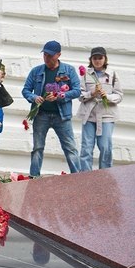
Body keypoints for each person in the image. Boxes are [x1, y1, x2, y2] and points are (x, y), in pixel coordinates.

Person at [22, 41, 81, 177]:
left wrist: (60, 95)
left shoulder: (69, 70)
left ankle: (78, 178)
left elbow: (77, 91)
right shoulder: (36, 71)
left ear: (59, 55)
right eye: (45, 54)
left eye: (50, 55)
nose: (47, 58)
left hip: (62, 116)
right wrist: (34, 97)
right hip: (41, 115)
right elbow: (26, 90)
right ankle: (34, 177)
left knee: (70, 148)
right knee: (37, 148)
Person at [76, 47, 123, 170]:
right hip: (89, 115)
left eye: (100, 58)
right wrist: (91, 93)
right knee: (86, 147)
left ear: (105, 58)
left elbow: (119, 95)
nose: (97, 61)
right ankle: (85, 177)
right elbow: (80, 96)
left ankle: (105, 176)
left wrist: (106, 97)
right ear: (91, 60)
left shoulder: (112, 74)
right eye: (95, 58)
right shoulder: (85, 75)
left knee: (105, 147)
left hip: (106, 116)